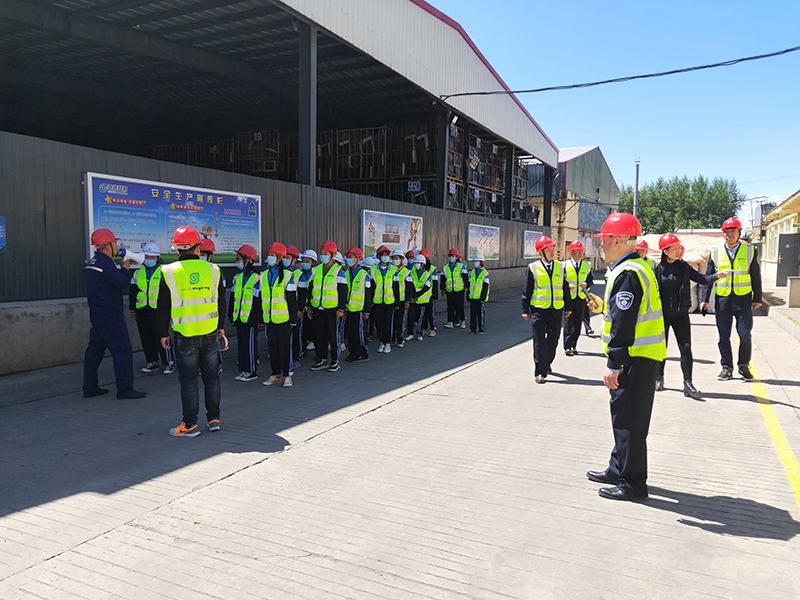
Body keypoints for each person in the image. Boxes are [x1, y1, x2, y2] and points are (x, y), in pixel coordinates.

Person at [587, 212, 666, 501]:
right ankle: (618, 467)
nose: (602, 245)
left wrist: (614, 363)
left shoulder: (628, 273)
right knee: (624, 417)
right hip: (643, 355)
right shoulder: (637, 267)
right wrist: (602, 307)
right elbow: (626, 312)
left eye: (605, 240)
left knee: (629, 422)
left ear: (618, 240)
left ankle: (633, 483)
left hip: (635, 358)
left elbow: (624, 323)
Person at [158, 226, 228, 437]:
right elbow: (221, 302)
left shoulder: (168, 272)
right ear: (198, 247)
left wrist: (163, 333)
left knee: (189, 382)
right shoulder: (214, 270)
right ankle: (214, 419)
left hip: (185, 334)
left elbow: (163, 307)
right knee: (212, 378)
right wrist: (221, 328)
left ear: (177, 249)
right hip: (210, 332)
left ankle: (190, 424)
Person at [653, 233, 729, 400]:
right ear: (665, 251)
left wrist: (717, 275)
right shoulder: (656, 269)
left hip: (681, 314)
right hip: (662, 315)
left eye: (679, 247)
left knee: (686, 348)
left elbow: (702, 279)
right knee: (661, 348)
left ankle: (688, 383)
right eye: (675, 248)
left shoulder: (683, 266)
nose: (679, 250)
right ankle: (659, 377)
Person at [83, 229, 147, 399]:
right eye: (115, 243)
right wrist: (125, 269)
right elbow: (123, 282)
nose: (117, 246)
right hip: (110, 314)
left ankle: (89, 387)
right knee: (122, 350)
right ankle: (125, 389)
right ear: (108, 245)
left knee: (94, 350)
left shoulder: (94, 262)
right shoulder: (105, 264)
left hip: (97, 313)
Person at [700, 217, 762, 381]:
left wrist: (758, 297)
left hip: (743, 300)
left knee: (745, 334)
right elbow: (709, 277)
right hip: (723, 300)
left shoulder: (750, 250)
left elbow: (756, 276)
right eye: (726, 232)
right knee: (723, 336)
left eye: (733, 231)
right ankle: (726, 367)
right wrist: (704, 299)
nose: (729, 234)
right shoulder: (715, 252)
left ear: (739, 232)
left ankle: (743, 366)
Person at [521, 236, 572, 384]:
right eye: (549, 249)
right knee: (539, 342)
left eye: (553, 248)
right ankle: (540, 372)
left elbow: (565, 289)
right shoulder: (533, 268)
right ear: (541, 252)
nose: (552, 251)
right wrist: (525, 309)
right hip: (539, 310)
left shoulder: (560, 267)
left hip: (556, 310)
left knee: (553, 340)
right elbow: (527, 290)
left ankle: (547, 362)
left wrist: (568, 307)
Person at [129, 242, 175, 375]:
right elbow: (133, 292)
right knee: (146, 337)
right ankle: (152, 362)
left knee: (162, 336)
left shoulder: (164, 272)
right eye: (147, 257)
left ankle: (169, 363)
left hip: (159, 311)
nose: (149, 259)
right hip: (142, 310)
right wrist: (133, 309)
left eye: (152, 257)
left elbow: (171, 292)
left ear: (157, 258)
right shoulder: (138, 273)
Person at [307, 241, 348, 372]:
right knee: (319, 335)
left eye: (326, 253)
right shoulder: (316, 270)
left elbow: (343, 291)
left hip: (332, 309)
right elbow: (310, 289)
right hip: (317, 308)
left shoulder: (339, 271)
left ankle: (335, 360)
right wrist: (309, 307)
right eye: (322, 253)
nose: (323, 256)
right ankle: (322, 359)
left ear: (332, 255)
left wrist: (341, 308)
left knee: (333, 336)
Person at [261, 242, 298, 387]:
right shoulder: (263, 275)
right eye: (268, 254)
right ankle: (275, 374)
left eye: (272, 255)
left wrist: (293, 320)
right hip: (269, 319)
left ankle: (287, 375)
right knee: (273, 348)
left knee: (285, 348)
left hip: (284, 320)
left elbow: (292, 300)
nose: (269, 257)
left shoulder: (288, 276)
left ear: (279, 258)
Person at [229, 244, 261, 382]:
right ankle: (243, 370)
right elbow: (233, 298)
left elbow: (258, 300)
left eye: (239, 259)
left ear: (248, 260)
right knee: (242, 345)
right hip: (239, 317)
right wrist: (231, 315)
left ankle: (251, 371)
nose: (238, 262)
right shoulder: (238, 277)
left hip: (250, 318)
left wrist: (256, 318)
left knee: (250, 345)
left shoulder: (256, 278)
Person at [563, 240, 594, 356]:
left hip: (581, 298)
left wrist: (587, 284)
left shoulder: (587, 265)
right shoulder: (564, 265)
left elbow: (591, 280)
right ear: (572, 253)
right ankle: (567, 347)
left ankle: (573, 345)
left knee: (577, 323)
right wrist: (567, 285)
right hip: (569, 298)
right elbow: (561, 281)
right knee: (568, 323)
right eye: (579, 251)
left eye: (582, 251)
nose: (581, 253)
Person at [199, 238, 226, 372]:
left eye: (204, 254)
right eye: (200, 253)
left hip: (212, 316)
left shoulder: (216, 272)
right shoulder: (195, 272)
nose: (201, 256)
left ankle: (217, 364)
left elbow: (221, 300)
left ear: (211, 256)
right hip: (198, 315)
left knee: (214, 344)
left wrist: (221, 324)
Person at [344, 247, 372, 362]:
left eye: (351, 257)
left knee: (359, 332)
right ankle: (353, 352)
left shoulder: (364, 274)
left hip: (359, 309)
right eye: (348, 257)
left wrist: (367, 311)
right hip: (349, 308)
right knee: (351, 332)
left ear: (358, 259)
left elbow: (368, 294)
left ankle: (363, 353)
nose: (348, 259)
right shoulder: (346, 273)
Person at [370, 245, 400, 353]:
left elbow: (396, 287)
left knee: (388, 324)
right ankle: (382, 342)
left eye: (386, 255)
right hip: (377, 302)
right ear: (378, 257)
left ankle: (387, 343)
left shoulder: (393, 269)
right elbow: (371, 287)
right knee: (379, 324)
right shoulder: (373, 270)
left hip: (389, 301)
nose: (385, 257)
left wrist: (397, 302)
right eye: (383, 255)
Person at [405, 254, 433, 341]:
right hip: (413, 299)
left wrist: (417, 295)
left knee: (420, 318)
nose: (416, 264)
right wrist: (413, 295)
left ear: (422, 264)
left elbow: (426, 287)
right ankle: (410, 333)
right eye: (415, 263)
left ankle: (419, 333)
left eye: (418, 263)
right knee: (410, 317)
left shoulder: (427, 274)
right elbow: (410, 284)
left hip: (422, 300)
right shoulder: (411, 272)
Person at [284, 245, 302, 369]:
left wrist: (300, 309)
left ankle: (296, 357)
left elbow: (302, 294)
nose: (285, 259)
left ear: (295, 260)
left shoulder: (299, 274)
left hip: (295, 308)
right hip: (283, 309)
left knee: (295, 334)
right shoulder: (283, 273)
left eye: (288, 257)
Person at [297, 250, 317, 356]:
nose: (304, 263)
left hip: (312, 305)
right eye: (303, 261)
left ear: (313, 263)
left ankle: (313, 341)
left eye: (307, 261)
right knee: (303, 329)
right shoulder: (299, 273)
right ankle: (303, 347)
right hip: (302, 306)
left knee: (313, 327)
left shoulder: (315, 273)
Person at [442, 248, 468, 329]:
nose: (451, 257)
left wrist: (466, 286)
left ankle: (462, 321)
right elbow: (443, 279)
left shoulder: (461, 266)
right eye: (450, 256)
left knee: (460, 306)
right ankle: (450, 322)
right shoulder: (445, 267)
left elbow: (465, 277)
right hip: (450, 290)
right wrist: (442, 288)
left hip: (459, 289)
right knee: (450, 307)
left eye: (452, 256)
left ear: (457, 257)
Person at [468, 252, 490, 334]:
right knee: (472, 314)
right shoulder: (473, 272)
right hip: (473, 297)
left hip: (480, 298)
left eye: (476, 261)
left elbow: (485, 286)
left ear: (481, 262)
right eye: (474, 261)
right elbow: (469, 284)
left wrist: (483, 297)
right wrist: (468, 295)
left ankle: (481, 329)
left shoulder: (485, 273)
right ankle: (473, 329)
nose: (475, 263)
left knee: (480, 314)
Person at [391, 249, 409, 348]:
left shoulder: (406, 272)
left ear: (401, 259)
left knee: (400, 321)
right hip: (391, 299)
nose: (395, 260)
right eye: (393, 258)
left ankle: (400, 339)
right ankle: (392, 339)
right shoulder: (390, 270)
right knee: (392, 321)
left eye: (397, 258)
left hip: (402, 301)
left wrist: (407, 301)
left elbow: (409, 288)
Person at [419, 249, 439, 336]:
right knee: (423, 313)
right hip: (421, 294)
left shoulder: (432, 268)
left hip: (430, 294)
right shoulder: (418, 268)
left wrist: (435, 294)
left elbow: (435, 281)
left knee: (430, 313)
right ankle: (425, 328)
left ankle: (432, 328)